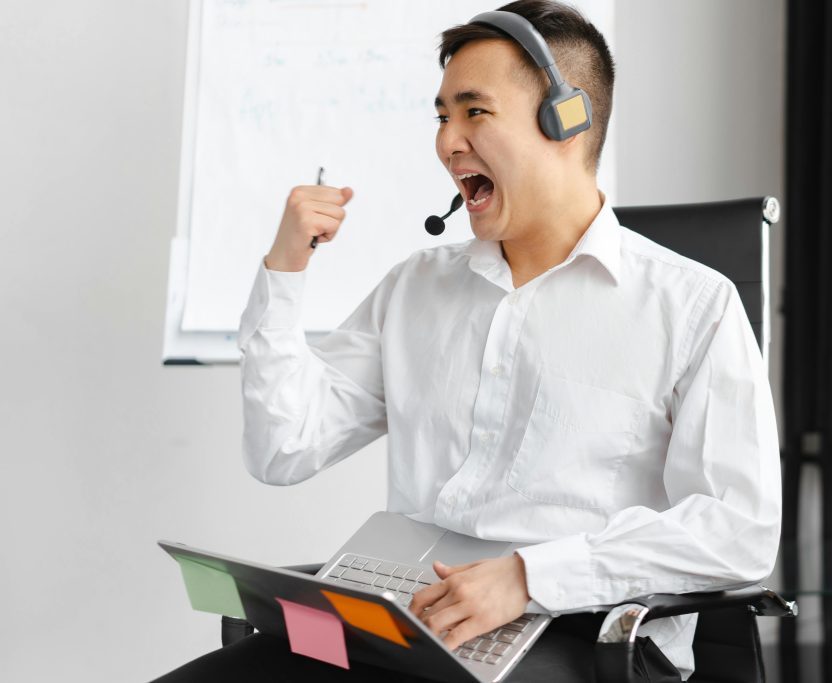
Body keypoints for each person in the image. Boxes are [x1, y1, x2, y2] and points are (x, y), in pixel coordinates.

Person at [153, 1, 780, 681]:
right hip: (404, 621)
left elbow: (739, 528)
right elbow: (282, 448)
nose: (447, 142)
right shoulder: (416, 287)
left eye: (474, 112)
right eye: (442, 115)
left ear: (566, 119)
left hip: (583, 635)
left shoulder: (691, 305)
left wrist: (529, 574)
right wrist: (285, 269)